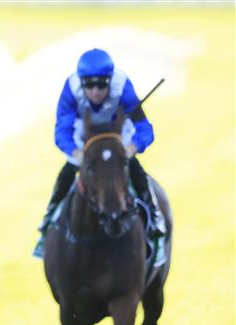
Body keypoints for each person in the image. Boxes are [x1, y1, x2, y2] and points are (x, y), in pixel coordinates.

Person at [38, 48, 166, 238]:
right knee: (68, 170)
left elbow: (145, 129)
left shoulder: (122, 86)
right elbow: (62, 131)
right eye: (89, 85)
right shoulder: (71, 89)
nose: (95, 91)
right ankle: (50, 215)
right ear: (81, 83)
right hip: (84, 133)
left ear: (110, 80)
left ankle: (154, 215)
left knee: (134, 167)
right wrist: (75, 152)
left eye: (101, 84)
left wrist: (133, 147)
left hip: (118, 132)